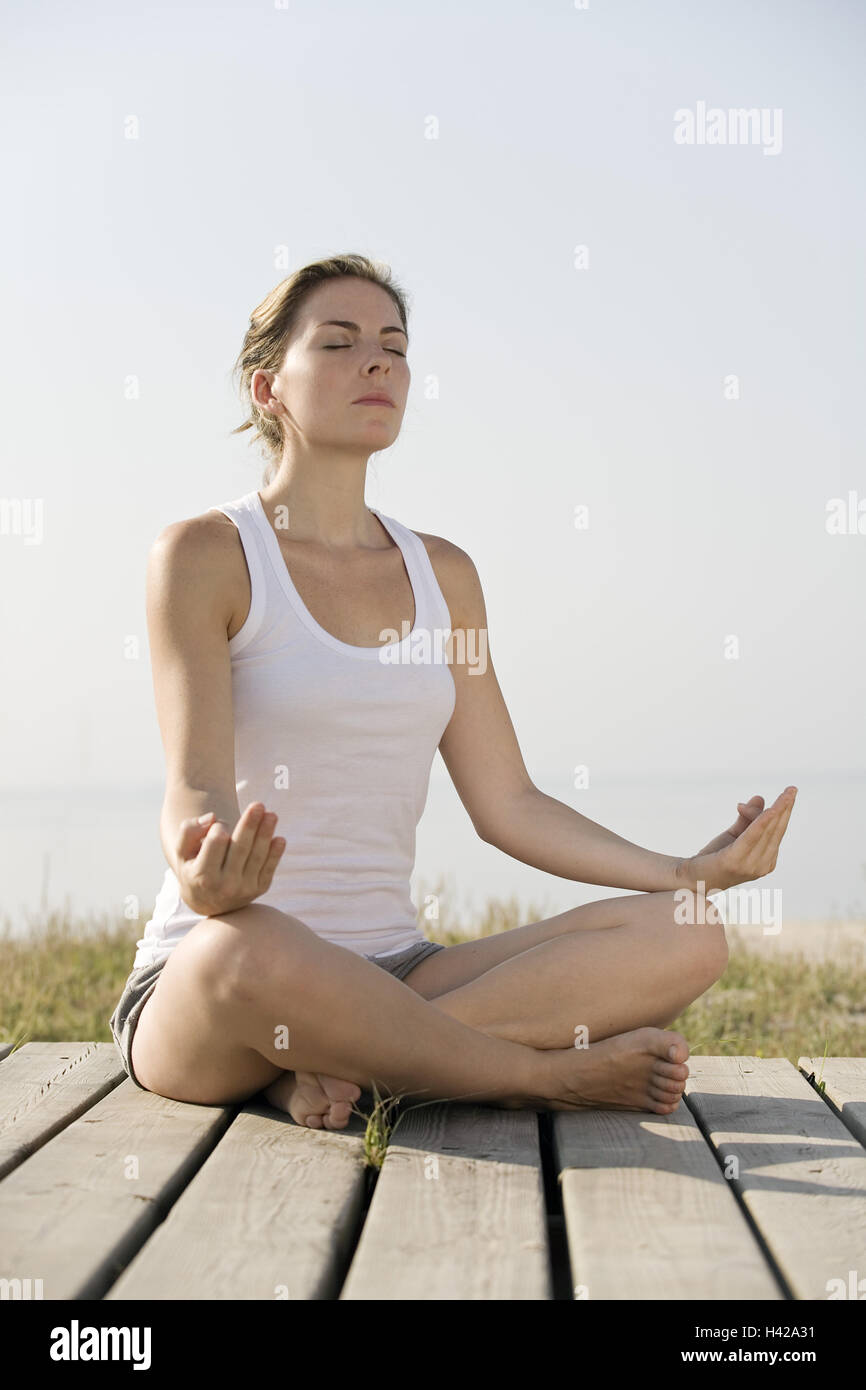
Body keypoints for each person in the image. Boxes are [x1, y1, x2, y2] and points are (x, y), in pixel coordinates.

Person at [109, 252, 797, 1130]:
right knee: (248, 949)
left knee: (689, 931)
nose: (378, 364)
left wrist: (687, 871)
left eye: (394, 346)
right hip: (219, 976)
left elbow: (507, 801)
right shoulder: (205, 556)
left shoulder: (446, 576)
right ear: (267, 388)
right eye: (340, 343)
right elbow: (195, 788)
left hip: (399, 968)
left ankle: (334, 1068)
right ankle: (535, 1077)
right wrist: (205, 875)